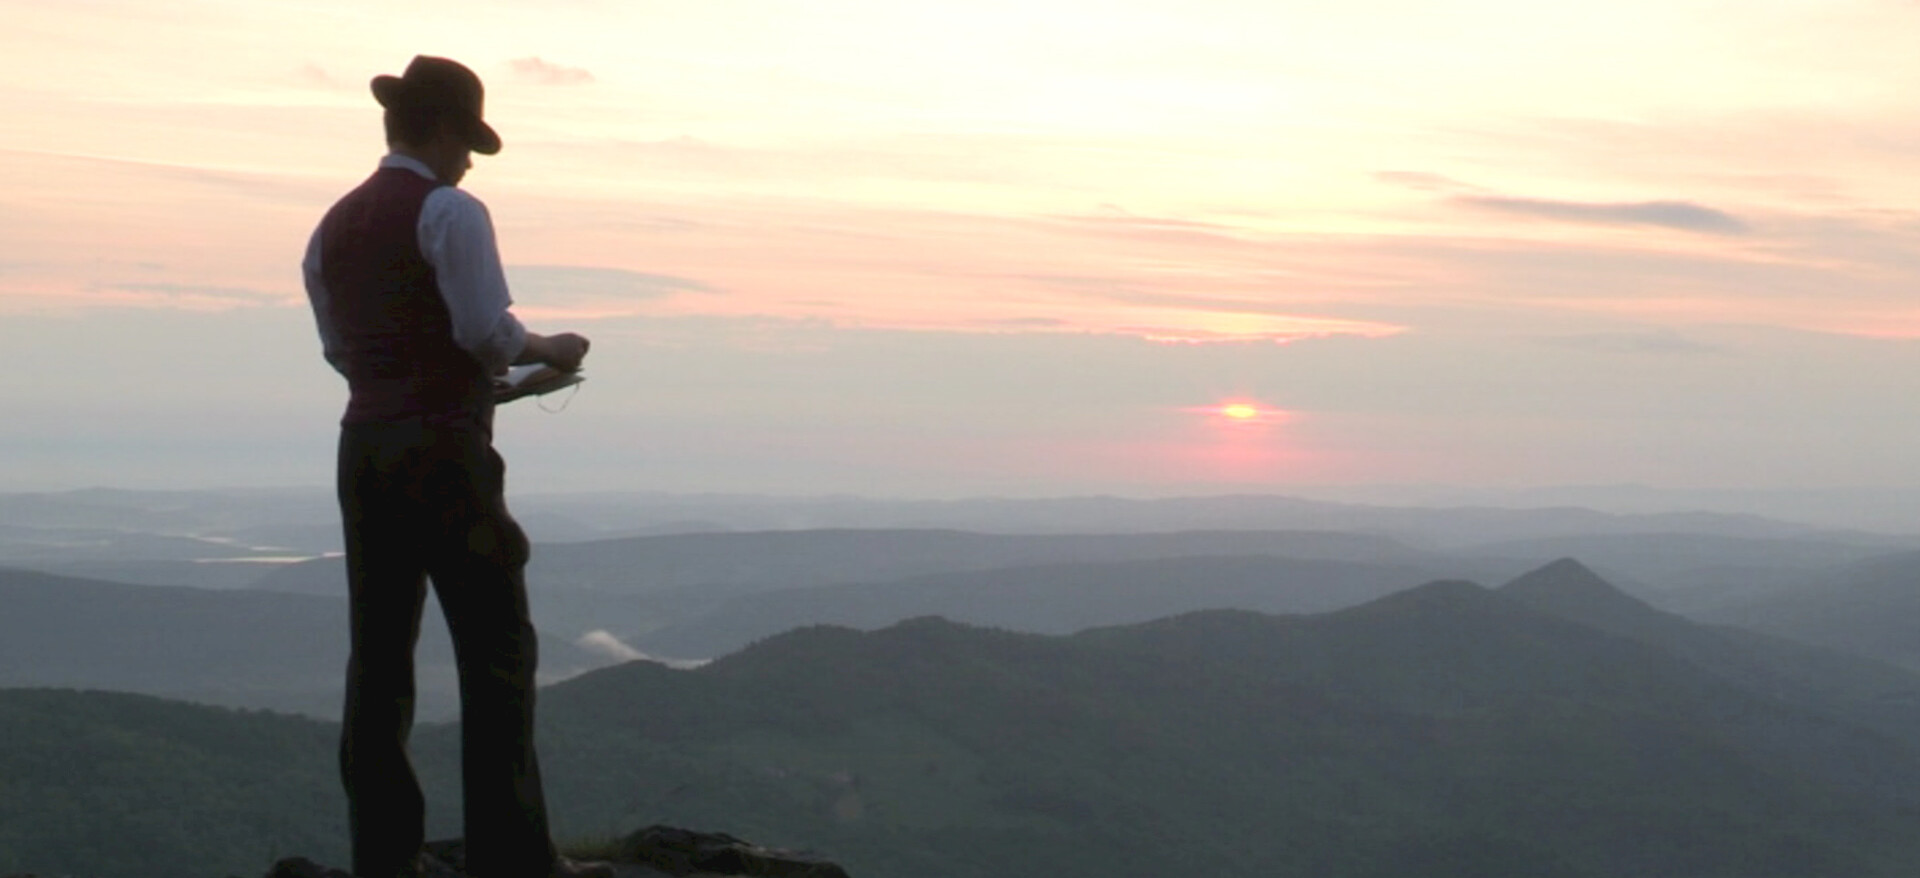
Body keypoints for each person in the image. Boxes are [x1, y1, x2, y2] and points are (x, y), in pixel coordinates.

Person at [301, 55, 604, 878]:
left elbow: (343, 352)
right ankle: (513, 858)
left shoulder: (331, 226)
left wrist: (432, 383)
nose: (469, 161)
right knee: (496, 647)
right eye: (467, 143)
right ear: (441, 131)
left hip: (364, 451)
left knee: (379, 655)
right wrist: (550, 348)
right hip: (445, 455)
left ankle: (385, 857)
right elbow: (483, 330)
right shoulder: (451, 211)